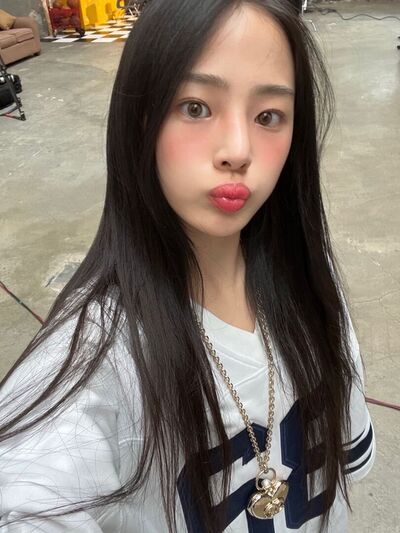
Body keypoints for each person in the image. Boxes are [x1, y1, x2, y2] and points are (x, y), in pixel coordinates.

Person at [0, 0, 375, 531]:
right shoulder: (96, 359)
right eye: (196, 107)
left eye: (269, 116)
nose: (238, 150)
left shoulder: (311, 280)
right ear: (141, 117)